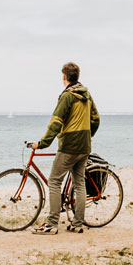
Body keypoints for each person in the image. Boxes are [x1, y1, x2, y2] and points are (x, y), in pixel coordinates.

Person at [31, 62, 100, 234]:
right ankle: (77, 225)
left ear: (64, 77)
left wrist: (42, 143)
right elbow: (96, 119)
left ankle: (51, 225)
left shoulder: (67, 96)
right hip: (84, 146)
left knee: (54, 181)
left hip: (69, 146)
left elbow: (56, 122)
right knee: (79, 184)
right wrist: (87, 136)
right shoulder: (87, 95)